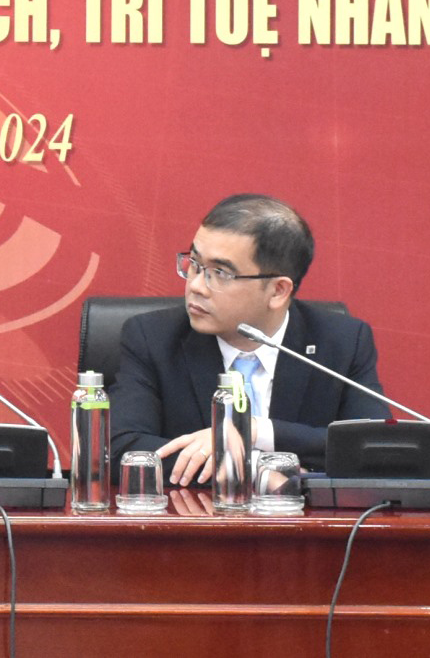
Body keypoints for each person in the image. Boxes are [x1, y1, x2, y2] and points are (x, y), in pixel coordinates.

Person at [109, 194, 390, 484]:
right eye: (194, 263)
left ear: (278, 291)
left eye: (220, 273)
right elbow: (120, 450)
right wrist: (255, 469)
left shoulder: (341, 342)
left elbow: (376, 447)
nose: (195, 286)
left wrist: (255, 430)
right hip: (197, 523)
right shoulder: (152, 338)